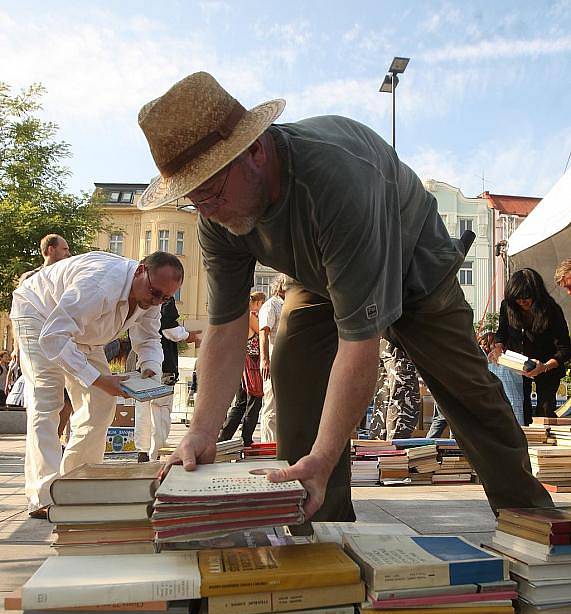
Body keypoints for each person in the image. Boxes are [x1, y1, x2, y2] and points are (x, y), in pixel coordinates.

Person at [136, 71, 553, 525]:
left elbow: (360, 348)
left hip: (415, 265)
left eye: (211, 192)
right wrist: (200, 432)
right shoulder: (216, 215)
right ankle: (321, 522)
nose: (208, 210)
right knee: (293, 359)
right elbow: (225, 330)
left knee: (466, 387)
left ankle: (531, 518)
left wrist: (329, 449)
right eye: (194, 199)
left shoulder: (335, 179)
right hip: (321, 277)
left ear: (254, 151)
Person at [10, 250, 183, 518]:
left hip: (83, 333)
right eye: (155, 292)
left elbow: (149, 338)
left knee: (101, 403)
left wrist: (149, 369)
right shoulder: (100, 282)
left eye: (165, 297)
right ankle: (43, 495)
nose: (157, 300)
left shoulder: (152, 297)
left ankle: (75, 484)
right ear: (140, 270)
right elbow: (54, 337)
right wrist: (97, 378)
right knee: (47, 403)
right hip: (39, 315)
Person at [491, 268, 571, 424]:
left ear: (536, 294)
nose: (522, 303)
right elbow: (502, 331)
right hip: (518, 366)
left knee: (545, 410)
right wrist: (499, 346)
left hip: (547, 365)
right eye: (518, 300)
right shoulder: (507, 307)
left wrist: (545, 366)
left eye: (526, 299)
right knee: (520, 408)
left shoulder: (552, 310)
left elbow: (565, 349)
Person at [14, 235, 74, 440]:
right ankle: (46, 443)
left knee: (66, 399)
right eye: (64, 249)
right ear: (50, 249)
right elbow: (19, 315)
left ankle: (55, 441)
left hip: (60, 343)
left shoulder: (67, 277)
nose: (68, 253)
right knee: (42, 398)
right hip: (37, 346)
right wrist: (17, 348)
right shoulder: (30, 278)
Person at [135, 297, 202, 462]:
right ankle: (155, 452)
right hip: (164, 367)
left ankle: (143, 452)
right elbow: (169, 328)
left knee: (143, 411)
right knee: (160, 411)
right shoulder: (165, 298)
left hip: (141, 364)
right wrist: (188, 335)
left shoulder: (139, 297)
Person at [218, 291, 265, 446]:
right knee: (254, 401)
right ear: (258, 303)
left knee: (242, 403)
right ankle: (245, 438)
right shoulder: (251, 316)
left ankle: (225, 437)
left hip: (242, 362)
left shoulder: (241, 316)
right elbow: (262, 331)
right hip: (250, 363)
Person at [369, 340, 420, 440]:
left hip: (383, 341)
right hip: (399, 341)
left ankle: (377, 451)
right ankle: (393, 450)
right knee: (402, 402)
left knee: (383, 401)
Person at [259, 274, 287, 443]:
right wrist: (265, 360)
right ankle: (268, 445)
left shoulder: (288, 305)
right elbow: (264, 332)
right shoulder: (271, 305)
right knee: (271, 407)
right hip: (275, 362)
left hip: (289, 364)